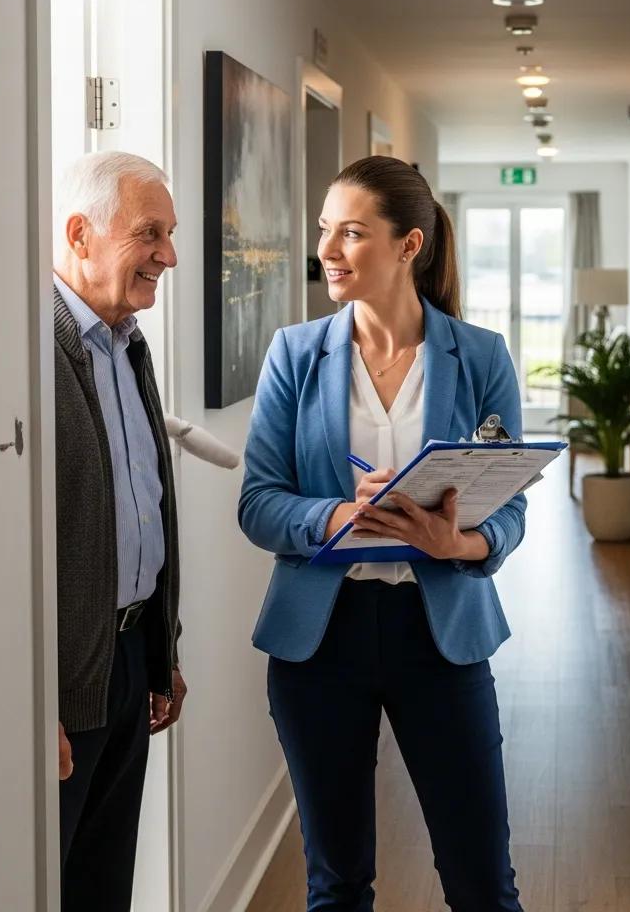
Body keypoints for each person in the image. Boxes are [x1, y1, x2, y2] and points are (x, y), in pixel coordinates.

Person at [239, 156, 526, 911]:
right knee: (336, 886)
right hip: (319, 644)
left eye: (352, 232)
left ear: (409, 245)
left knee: (483, 885)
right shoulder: (294, 356)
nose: (329, 249)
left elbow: (510, 504)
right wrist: (336, 514)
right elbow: (259, 503)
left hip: (441, 639)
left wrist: (459, 545)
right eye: (325, 231)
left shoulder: (481, 357)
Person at [53, 150, 186, 911]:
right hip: (67, 678)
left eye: (167, 235)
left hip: (132, 660)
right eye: (151, 234)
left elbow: (145, 513)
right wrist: (34, 704)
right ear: (81, 233)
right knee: (52, 882)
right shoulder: (30, 349)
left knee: (106, 884)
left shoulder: (128, 343)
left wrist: (161, 650)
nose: (168, 255)